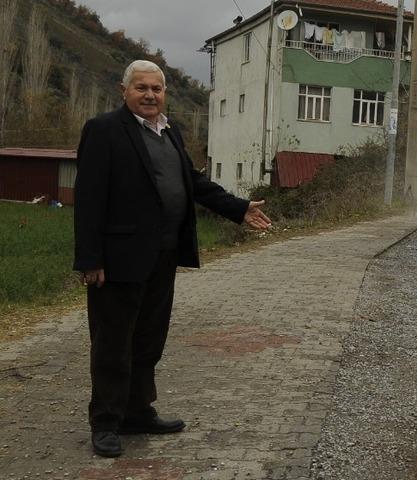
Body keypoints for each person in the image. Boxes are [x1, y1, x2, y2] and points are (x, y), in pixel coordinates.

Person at [73, 60, 272, 458]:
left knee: (148, 339)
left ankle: (137, 412)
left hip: (163, 255)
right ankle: (106, 423)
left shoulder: (170, 131)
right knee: (113, 343)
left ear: (165, 93)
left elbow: (192, 181)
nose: (149, 95)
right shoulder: (105, 130)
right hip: (118, 258)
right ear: (124, 90)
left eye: (157, 89)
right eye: (141, 88)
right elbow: (90, 198)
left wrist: (238, 207)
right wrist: (90, 259)